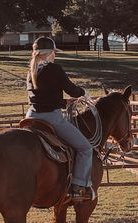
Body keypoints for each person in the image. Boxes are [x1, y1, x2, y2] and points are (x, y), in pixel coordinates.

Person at [26, 36, 96, 202]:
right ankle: (78, 188)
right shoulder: (54, 69)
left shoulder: (31, 70)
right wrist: (83, 93)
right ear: (50, 53)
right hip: (52, 118)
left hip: (31, 116)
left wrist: (64, 102)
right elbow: (71, 89)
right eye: (54, 53)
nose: (55, 56)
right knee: (86, 148)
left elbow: (41, 98)